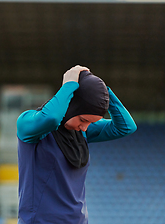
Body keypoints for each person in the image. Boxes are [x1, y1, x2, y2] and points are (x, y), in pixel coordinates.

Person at [16, 65, 137, 224]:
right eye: (83, 120)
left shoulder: (80, 133)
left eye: (91, 123)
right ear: (72, 106)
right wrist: (70, 83)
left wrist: (101, 91)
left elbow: (126, 127)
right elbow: (51, 118)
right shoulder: (29, 124)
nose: (85, 127)